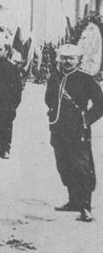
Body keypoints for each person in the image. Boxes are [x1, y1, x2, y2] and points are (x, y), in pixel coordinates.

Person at [45, 43, 103, 222]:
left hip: (78, 130)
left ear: (79, 60)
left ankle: (85, 207)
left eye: (71, 58)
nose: (67, 62)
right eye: (64, 58)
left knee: (81, 167)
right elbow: (48, 99)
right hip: (58, 128)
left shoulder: (85, 79)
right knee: (64, 165)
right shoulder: (55, 77)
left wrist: (86, 119)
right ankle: (73, 200)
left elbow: (100, 105)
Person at [0, 41, 23, 158]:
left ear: (7, 51)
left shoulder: (12, 67)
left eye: (1, 49)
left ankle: (6, 149)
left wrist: (14, 104)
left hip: (7, 102)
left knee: (7, 125)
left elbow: (17, 87)